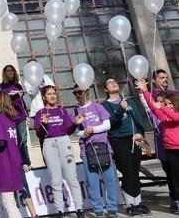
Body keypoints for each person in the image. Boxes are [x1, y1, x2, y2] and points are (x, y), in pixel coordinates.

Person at [34, 86, 86, 218]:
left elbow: (68, 130)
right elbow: (39, 134)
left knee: (71, 177)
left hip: (64, 142)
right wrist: (44, 123)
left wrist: (75, 123)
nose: (52, 96)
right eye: (49, 94)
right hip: (49, 143)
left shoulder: (62, 111)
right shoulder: (40, 113)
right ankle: (59, 211)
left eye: (54, 94)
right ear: (44, 97)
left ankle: (79, 209)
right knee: (55, 179)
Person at [101, 77, 149, 216]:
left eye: (114, 81)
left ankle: (138, 203)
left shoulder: (131, 101)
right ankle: (130, 204)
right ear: (105, 89)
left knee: (135, 170)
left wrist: (140, 133)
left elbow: (138, 119)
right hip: (118, 140)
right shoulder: (105, 105)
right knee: (127, 170)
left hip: (135, 139)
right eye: (109, 83)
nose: (113, 83)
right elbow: (111, 123)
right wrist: (121, 110)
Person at [72, 84, 118, 218]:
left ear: (86, 91)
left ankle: (112, 209)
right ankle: (98, 209)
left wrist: (93, 129)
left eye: (79, 92)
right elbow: (75, 132)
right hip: (87, 150)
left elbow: (108, 124)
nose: (78, 95)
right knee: (92, 182)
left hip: (103, 146)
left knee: (109, 179)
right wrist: (84, 133)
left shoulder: (97, 106)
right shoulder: (75, 110)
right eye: (75, 93)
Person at [137, 79, 179, 213]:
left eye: (171, 104)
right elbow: (151, 105)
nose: (168, 106)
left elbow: (175, 118)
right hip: (170, 150)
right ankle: (177, 202)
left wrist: (162, 107)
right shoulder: (163, 113)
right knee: (175, 177)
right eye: (167, 104)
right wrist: (144, 90)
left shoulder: (174, 113)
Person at [150, 69, 179, 213]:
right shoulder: (151, 95)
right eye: (161, 77)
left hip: (177, 138)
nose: (165, 79)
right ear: (154, 80)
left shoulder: (175, 94)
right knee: (171, 173)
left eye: (166, 77)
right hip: (164, 141)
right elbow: (148, 105)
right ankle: (175, 200)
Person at [0, 65, 31, 172]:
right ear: (5, 73)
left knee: (23, 139)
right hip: (9, 117)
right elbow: (4, 100)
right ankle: (15, 161)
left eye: (12, 70)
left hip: (20, 116)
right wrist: (16, 96)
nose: (10, 72)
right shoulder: (2, 87)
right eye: (8, 71)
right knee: (12, 140)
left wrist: (27, 114)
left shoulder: (18, 86)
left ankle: (26, 162)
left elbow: (22, 103)